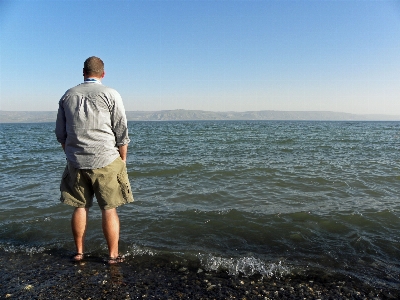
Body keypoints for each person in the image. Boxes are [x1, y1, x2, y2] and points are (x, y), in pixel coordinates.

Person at [55, 56, 134, 264]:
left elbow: (60, 134)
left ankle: (79, 253)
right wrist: (122, 160)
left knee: (80, 207)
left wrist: (71, 154)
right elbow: (121, 132)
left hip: (76, 161)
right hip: (106, 159)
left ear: (83, 72)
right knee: (109, 208)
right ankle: (112, 256)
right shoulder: (111, 94)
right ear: (103, 74)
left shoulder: (67, 96)